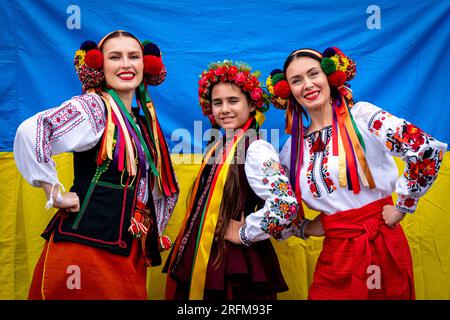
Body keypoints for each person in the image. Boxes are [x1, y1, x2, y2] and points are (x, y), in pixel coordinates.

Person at [265, 47, 447, 300]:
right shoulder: (292, 148)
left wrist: (403, 206)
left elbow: (424, 149)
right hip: (336, 253)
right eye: (296, 80)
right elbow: (279, 202)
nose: (307, 85)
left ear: (330, 75)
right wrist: (303, 228)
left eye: (313, 74)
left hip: (381, 242)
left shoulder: (362, 117)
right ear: (288, 91)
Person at [13, 30, 179, 300]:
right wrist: (54, 191)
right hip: (87, 249)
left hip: (127, 250)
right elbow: (32, 131)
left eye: (133, 56)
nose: (126, 64)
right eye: (115, 57)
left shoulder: (142, 121)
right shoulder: (94, 107)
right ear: (99, 65)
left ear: (145, 64)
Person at [163, 60, 303, 300]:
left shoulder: (256, 148)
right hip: (207, 256)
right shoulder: (218, 146)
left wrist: (245, 232)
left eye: (233, 101)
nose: (224, 109)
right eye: (217, 103)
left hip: (234, 265)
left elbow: (285, 205)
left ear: (251, 105)